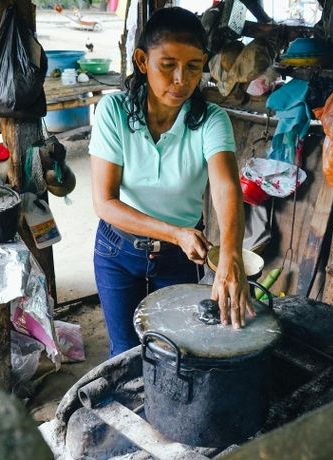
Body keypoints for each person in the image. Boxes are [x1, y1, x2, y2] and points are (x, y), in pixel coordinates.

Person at [88, 6, 253, 358]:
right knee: (124, 351)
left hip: (181, 257)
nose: (181, 79)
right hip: (118, 250)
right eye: (168, 65)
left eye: (194, 67)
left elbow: (225, 187)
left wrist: (231, 254)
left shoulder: (212, 120)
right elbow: (105, 203)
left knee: (173, 350)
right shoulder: (114, 111)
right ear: (142, 60)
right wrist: (175, 232)